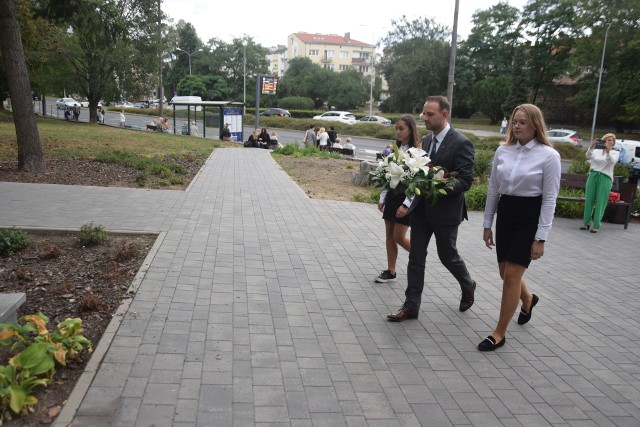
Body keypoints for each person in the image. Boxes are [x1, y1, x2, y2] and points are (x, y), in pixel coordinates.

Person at [479, 104, 561, 351]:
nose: (516, 126)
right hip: (506, 213)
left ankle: (499, 333)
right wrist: (487, 224)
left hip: (529, 216)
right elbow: (493, 189)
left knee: (512, 276)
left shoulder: (549, 156)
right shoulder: (503, 151)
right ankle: (528, 299)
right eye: (515, 121)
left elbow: (549, 199)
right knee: (505, 272)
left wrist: (541, 237)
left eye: (522, 122)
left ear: (535, 124)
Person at [389, 96, 477, 321]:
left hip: (446, 213)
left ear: (444, 115)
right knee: (416, 257)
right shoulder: (426, 141)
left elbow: (466, 180)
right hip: (421, 211)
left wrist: (439, 185)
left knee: (447, 256)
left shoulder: (461, 143)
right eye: (424, 114)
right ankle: (411, 306)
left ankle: (467, 284)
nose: (424, 118)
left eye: (430, 114)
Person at [375, 114, 421, 284]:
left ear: (411, 130)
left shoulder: (416, 152)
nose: (398, 132)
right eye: (396, 129)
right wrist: (382, 197)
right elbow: (388, 176)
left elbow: (417, 182)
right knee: (389, 235)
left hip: (406, 200)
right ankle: (391, 271)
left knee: (398, 237)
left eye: (401, 129)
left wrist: (407, 204)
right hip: (392, 197)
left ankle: (419, 255)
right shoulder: (395, 150)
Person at [581, 133, 620, 233]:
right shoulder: (597, 151)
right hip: (593, 175)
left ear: (613, 143)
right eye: (605, 140)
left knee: (600, 202)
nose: (607, 141)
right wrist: (592, 146)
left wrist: (607, 151)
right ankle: (586, 223)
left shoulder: (615, 152)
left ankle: (596, 225)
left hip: (605, 177)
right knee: (589, 199)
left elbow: (611, 161)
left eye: (610, 140)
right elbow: (588, 156)